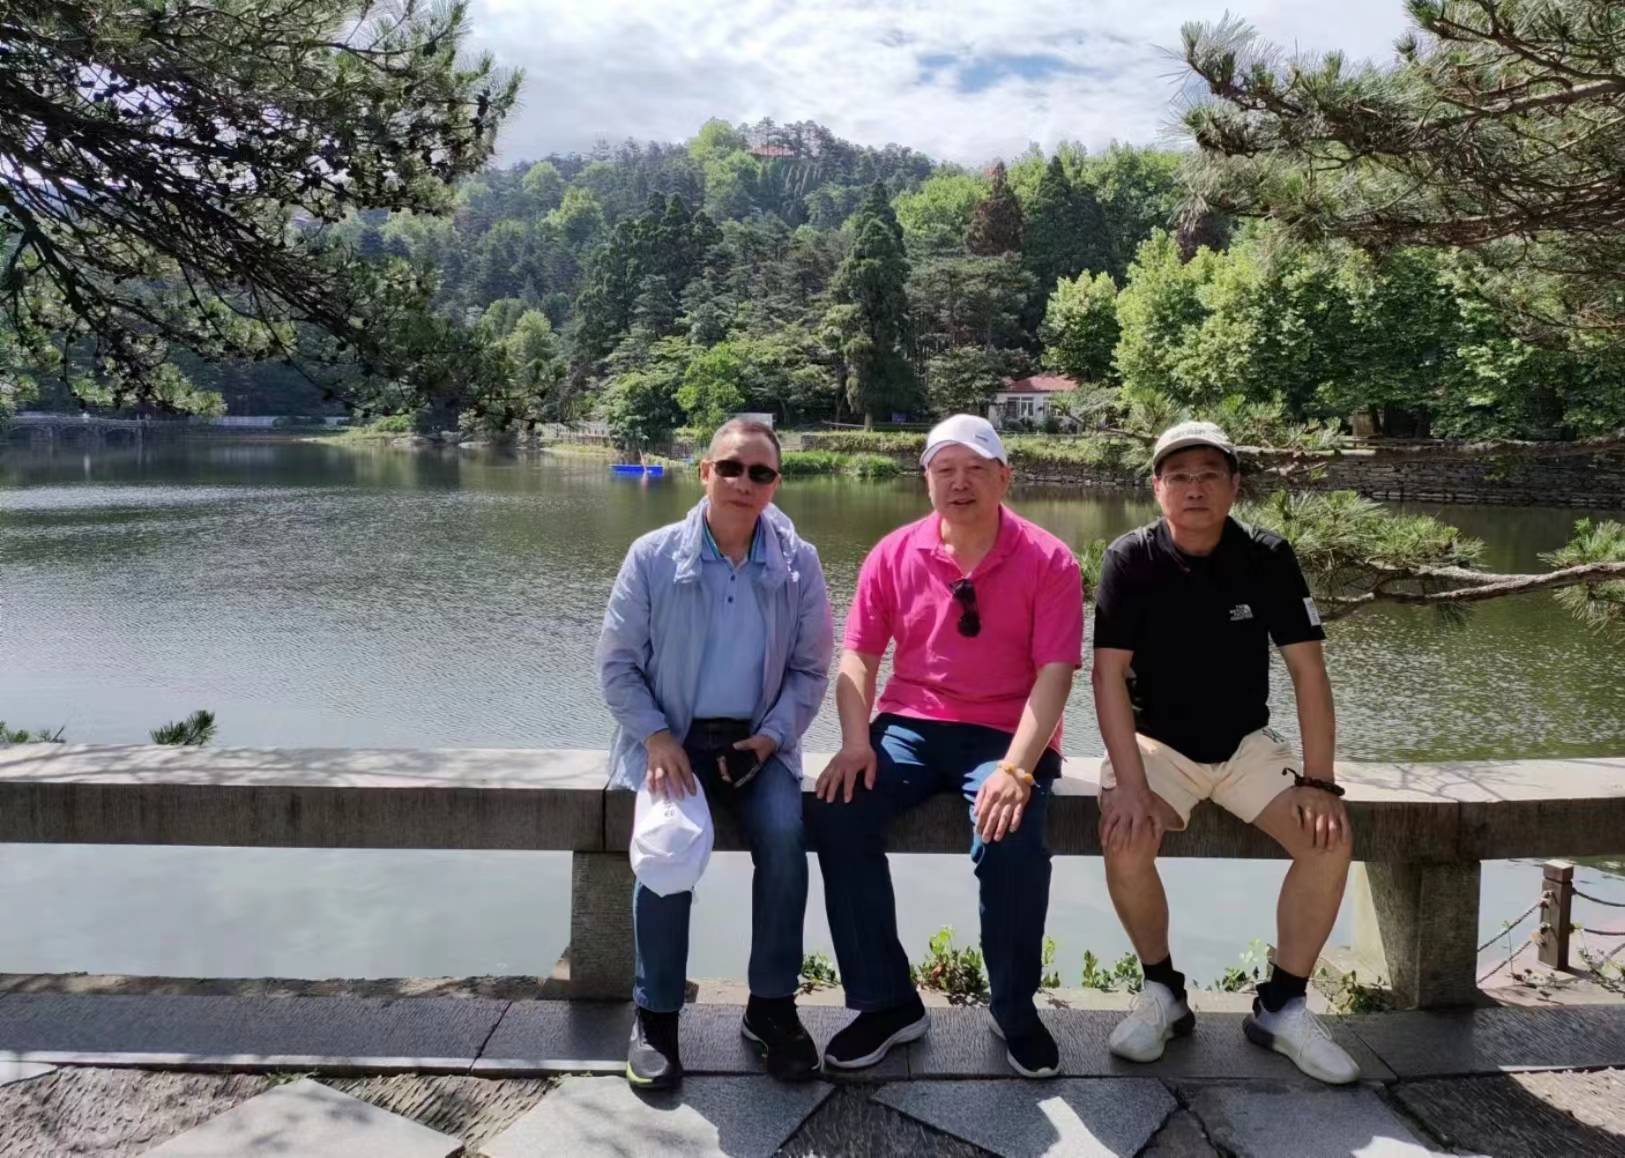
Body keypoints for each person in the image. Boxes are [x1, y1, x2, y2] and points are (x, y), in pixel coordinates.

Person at [809, 414, 1084, 1079]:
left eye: (975, 470)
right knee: (838, 811)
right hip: (910, 726)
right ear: (926, 479)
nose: (959, 483)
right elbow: (858, 657)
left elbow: (1054, 674)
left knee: (1010, 833)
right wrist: (854, 741)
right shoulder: (893, 552)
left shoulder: (1049, 559)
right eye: (945, 471)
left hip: (1007, 732)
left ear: (1004, 478)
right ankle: (886, 1003)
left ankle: (1013, 1008)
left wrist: (1017, 768)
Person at [1091, 420, 1360, 1084]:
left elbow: (1308, 671)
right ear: (1157, 488)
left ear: (1234, 486)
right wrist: (1129, 783)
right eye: (1179, 476)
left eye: (1210, 474)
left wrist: (1320, 782)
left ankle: (1281, 1005)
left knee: (1327, 839)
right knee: (1125, 833)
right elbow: (1105, 676)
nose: (1194, 488)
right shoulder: (1130, 559)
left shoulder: (1266, 556)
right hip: (1157, 744)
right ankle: (1162, 991)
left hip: (1245, 745)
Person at [596, 417, 834, 1090]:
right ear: (704, 472)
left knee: (785, 839)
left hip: (757, 741)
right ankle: (656, 1017)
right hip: (671, 738)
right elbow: (616, 666)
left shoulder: (799, 565)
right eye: (729, 467)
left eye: (759, 472)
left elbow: (811, 670)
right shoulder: (652, 556)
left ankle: (771, 1009)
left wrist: (772, 736)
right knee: (665, 851)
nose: (742, 482)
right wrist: (656, 736)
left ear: (775, 484)